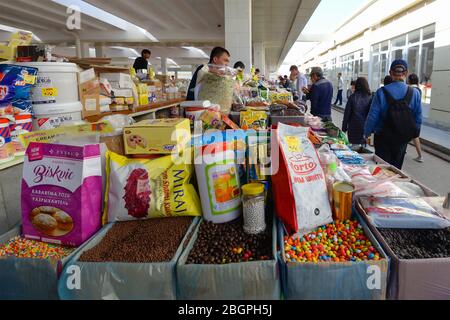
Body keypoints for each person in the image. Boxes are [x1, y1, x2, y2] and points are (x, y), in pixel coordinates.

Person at [364, 60, 422, 170]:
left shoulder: (381, 92)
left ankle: (382, 186)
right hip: (402, 138)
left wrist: (366, 133)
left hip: (383, 138)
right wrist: (411, 135)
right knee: (396, 170)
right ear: (406, 73)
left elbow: (372, 116)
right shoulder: (415, 93)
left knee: (382, 169)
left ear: (390, 73)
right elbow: (418, 118)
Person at [342, 77, 373, 145]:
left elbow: (346, 115)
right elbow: (372, 114)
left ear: (357, 85)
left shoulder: (352, 97)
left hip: (353, 127)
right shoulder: (370, 97)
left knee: (354, 148)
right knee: (364, 149)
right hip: (365, 127)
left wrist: (344, 128)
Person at [408, 73, 424, 163]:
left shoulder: (411, 90)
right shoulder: (419, 89)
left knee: (415, 137)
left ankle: (420, 156)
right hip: (417, 116)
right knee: (411, 135)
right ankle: (403, 150)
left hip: (412, 117)